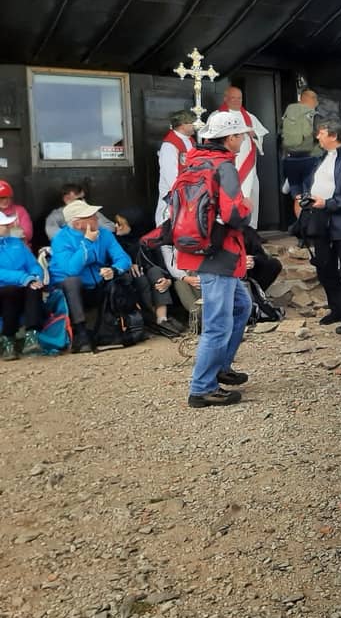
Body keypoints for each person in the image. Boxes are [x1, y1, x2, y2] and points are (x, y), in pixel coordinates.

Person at [179, 110, 253, 408]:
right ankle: (202, 388)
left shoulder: (195, 162)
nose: (243, 140)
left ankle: (220, 367)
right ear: (230, 137)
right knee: (217, 324)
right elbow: (234, 214)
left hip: (201, 246)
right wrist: (247, 208)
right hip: (220, 251)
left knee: (241, 305)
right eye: (241, 135)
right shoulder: (224, 167)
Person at [302, 120, 341, 337]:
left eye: (321, 133)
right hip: (322, 220)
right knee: (324, 268)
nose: (317, 137)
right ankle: (337, 309)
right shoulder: (322, 158)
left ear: (333, 135)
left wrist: (328, 203)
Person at [49, 199, 133, 354]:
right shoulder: (60, 239)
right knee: (72, 281)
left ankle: (115, 329)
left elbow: (124, 259)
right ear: (77, 224)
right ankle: (81, 334)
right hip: (69, 289)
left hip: (96, 283)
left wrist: (113, 270)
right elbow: (71, 270)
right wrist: (87, 242)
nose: (96, 218)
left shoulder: (104, 233)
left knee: (119, 279)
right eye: (91, 216)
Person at [114, 208, 184, 337]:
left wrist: (168, 280)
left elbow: (162, 264)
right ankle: (154, 317)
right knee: (140, 277)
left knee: (156, 272)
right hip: (135, 283)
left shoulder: (149, 240)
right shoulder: (115, 241)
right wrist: (128, 264)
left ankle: (161, 319)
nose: (116, 226)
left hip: (154, 279)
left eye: (120, 224)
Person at [220, 86, 270, 229]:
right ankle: (234, 229)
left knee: (252, 194)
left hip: (249, 165)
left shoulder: (249, 117)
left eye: (239, 98)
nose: (237, 101)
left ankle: (251, 230)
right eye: (233, 98)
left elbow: (260, 135)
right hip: (230, 164)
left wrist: (254, 134)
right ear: (225, 98)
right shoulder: (218, 116)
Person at [0, 209, 45, 360]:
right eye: (4, 224)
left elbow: (33, 264)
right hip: (5, 290)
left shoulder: (16, 243)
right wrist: (24, 278)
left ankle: (31, 335)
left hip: (20, 287)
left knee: (34, 287)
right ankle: (8, 338)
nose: (9, 226)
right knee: (11, 291)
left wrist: (35, 277)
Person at [155, 110, 197, 225]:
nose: (195, 126)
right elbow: (171, 176)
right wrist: (183, 194)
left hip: (189, 194)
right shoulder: (169, 145)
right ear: (182, 125)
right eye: (192, 123)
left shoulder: (190, 140)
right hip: (173, 196)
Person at [281, 88, 322, 196]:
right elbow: (319, 136)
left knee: (297, 196)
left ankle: (294, 195)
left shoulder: (288, 113)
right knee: (310, 194)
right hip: (310, 159)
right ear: (313, 99)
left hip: (290, 161)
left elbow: (280, 133)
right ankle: (307, 207)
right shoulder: (314, 115)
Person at [45, 183, 115, 241]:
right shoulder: (56, 216)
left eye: (84, 198)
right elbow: (53, 235)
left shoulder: (91, 211)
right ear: (66, 198)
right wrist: (83, 236)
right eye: (79, 199)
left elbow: (111, 227)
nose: (84, 201)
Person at [0, 180, 33, 248]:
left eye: (8, 197)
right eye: (2, 198)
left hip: (18, 248)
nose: (5, 200)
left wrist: (8, 232)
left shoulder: (20, 211)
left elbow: (28, 234)